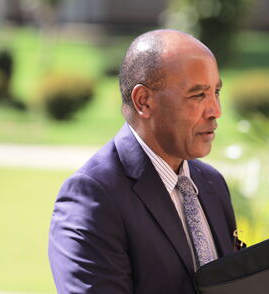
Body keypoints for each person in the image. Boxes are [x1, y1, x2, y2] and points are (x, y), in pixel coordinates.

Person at [48, 29, 238, 294]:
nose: (216, 111)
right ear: (144, 101)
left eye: (216, 92)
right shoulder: (93, 198)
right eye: (198, 95)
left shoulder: (212, 183)